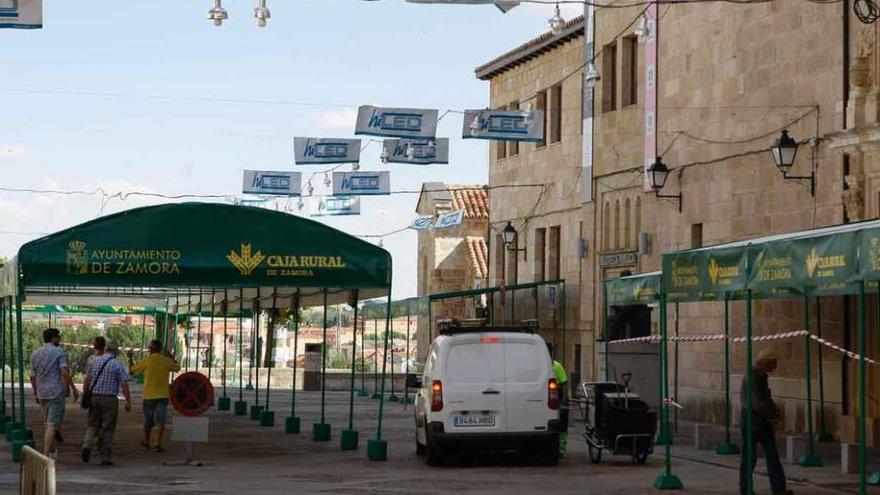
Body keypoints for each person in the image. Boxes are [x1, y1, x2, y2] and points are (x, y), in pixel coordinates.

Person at [739, 348, 792, 495]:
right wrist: (772, 416)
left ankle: (779, 489)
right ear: (766, 363)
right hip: (752, 419)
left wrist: (776, 412)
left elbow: (766, 399)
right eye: (773, 363)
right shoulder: (753, 377)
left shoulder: (761, 376)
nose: (775, 367)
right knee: (750, 457)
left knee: (772, 454)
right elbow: (756, 403)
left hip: (761, 419)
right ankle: (746, 489)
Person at [30, 328, 79, 458]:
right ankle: (46, 454)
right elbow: (64, 372)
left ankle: (51, 449)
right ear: (53, 338)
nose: (60, 339)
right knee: (52, 424)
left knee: (46, 421)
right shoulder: (59, 352)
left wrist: (35, 392)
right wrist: (73, 388)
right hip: (56, 391)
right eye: (58, 336)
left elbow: (32, 376)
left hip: (42, 392)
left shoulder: (35, 353)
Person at [81, 342, 131, 465]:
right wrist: (128, 401)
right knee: (107, 427)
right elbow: (124, 384)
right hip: (110, 399)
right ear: (115, 352)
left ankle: (87, 445)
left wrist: (86, 394)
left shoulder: (95, 362)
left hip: (94, 398)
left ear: (105, 350)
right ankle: (105, 456)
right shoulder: (117, 364)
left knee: (92, 424)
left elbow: (87, 380)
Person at [129, 340, 180, 452]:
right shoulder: (166, 361)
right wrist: (171, 356)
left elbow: (132, 371)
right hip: (162, 396)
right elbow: (177, 367)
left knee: (148, 421)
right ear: (160, 349)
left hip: (148, 396)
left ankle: (147, 442)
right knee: (160, 421)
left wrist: (130, 358)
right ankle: (157, 444)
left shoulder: (147, 361)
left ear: (150, 349)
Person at [80, 336, 106, 451]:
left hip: (93, 393)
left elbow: (87, 378)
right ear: (104, 346)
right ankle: (100, 442)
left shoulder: (91, 359)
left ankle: (89, 443)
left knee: (92, 421)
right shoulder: (108, 359)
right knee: (104, 421)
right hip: (106, 394)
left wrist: (85, 392)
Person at [547, 343, 568, 457]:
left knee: (561, 424)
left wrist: (563, 399)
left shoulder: (556, 366)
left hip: (556, 398)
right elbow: (564, 382)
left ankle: (561, 448)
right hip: (551, 397)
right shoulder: (556, 365)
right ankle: (559, 448)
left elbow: (564, 383)